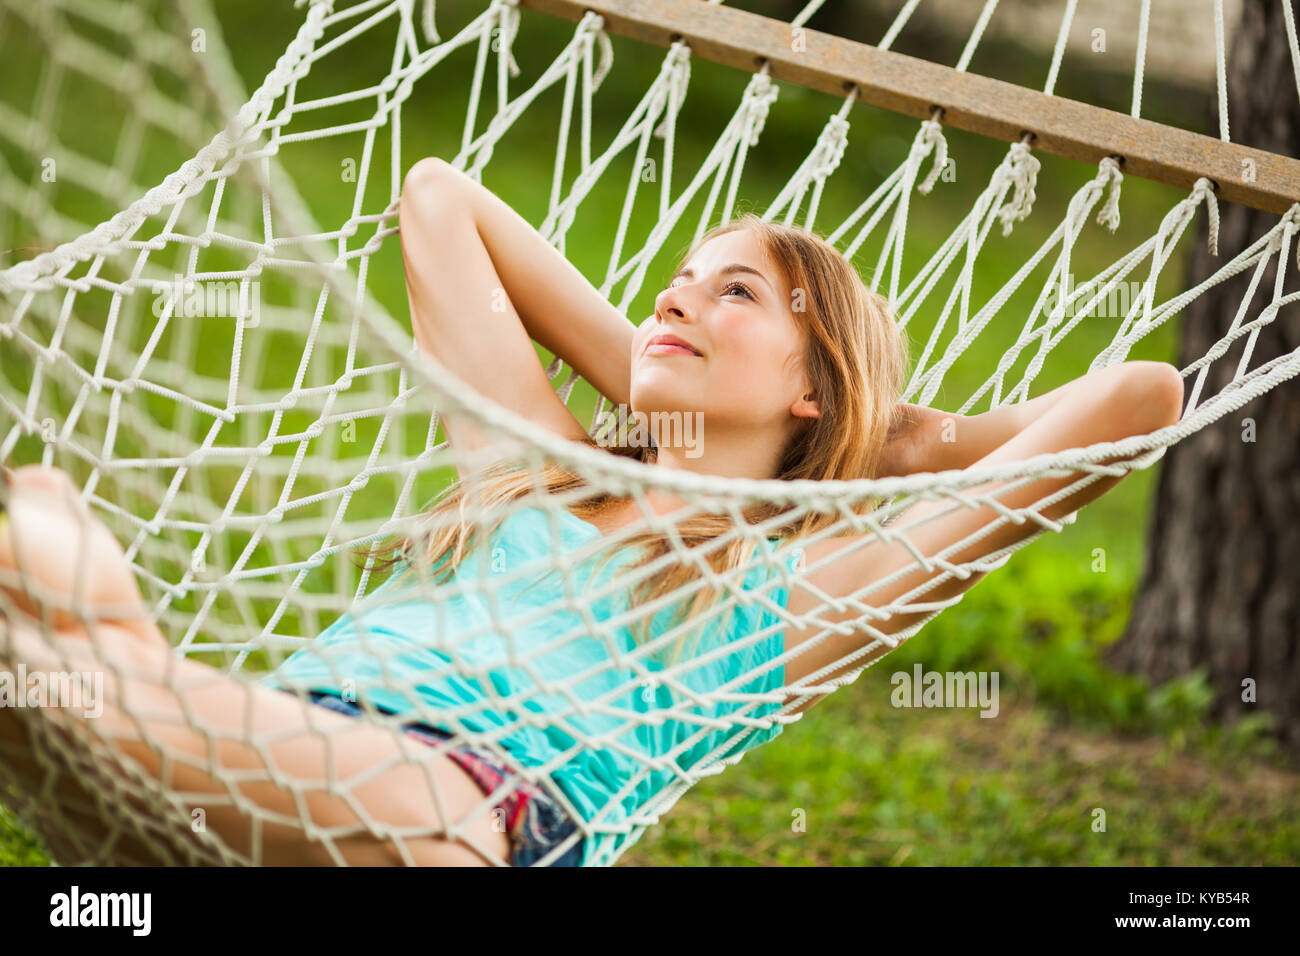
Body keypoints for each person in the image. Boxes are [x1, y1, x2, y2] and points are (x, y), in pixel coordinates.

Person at [0, 157, 1184, 868]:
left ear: (812, 382)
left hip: (451, 813)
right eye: (678, 277)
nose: (678, 293)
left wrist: (867, 436)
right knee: (37, 524)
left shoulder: (785, 603)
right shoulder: (536, 467)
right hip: (262, 757)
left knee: (61, 652)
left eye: (735, 291)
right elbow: (440, 202)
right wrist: (661, 366)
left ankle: (89, 666)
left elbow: (1136, 398)